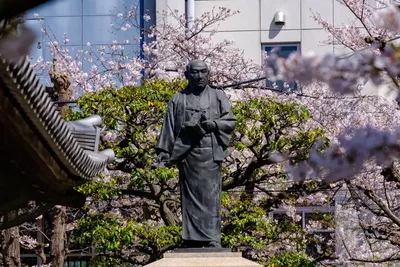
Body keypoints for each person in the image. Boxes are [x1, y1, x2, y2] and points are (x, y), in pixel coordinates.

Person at [156, 59, 236, 248]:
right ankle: (190, 238)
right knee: (189, 198)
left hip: (210, 155)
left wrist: (214, 124)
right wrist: (164, 151)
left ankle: (212, 238)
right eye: (195, 72)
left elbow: (230, 120)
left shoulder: (217, 96)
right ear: (186, 75)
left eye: (203, 72)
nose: (199, 76)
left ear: (208, 74)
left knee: (210, 197)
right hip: (187, 155)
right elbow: (169, 126)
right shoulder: (178, 98)